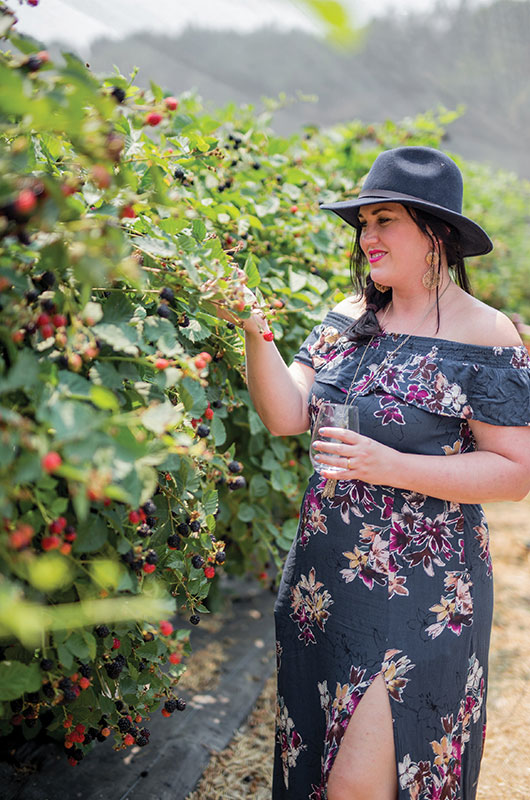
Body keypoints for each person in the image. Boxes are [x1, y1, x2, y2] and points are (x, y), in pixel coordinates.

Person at [209, 146, 530, 800]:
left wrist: (393, 466)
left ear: (436, 233)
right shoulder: (346, 318)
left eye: (384, 220)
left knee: (364, 782)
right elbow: (287, 415)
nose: (367, 237)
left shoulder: (487, 335)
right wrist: (254, 330)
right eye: (362, 223)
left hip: (424, 591)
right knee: (322, 776)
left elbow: (514, 471)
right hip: (324, 586)